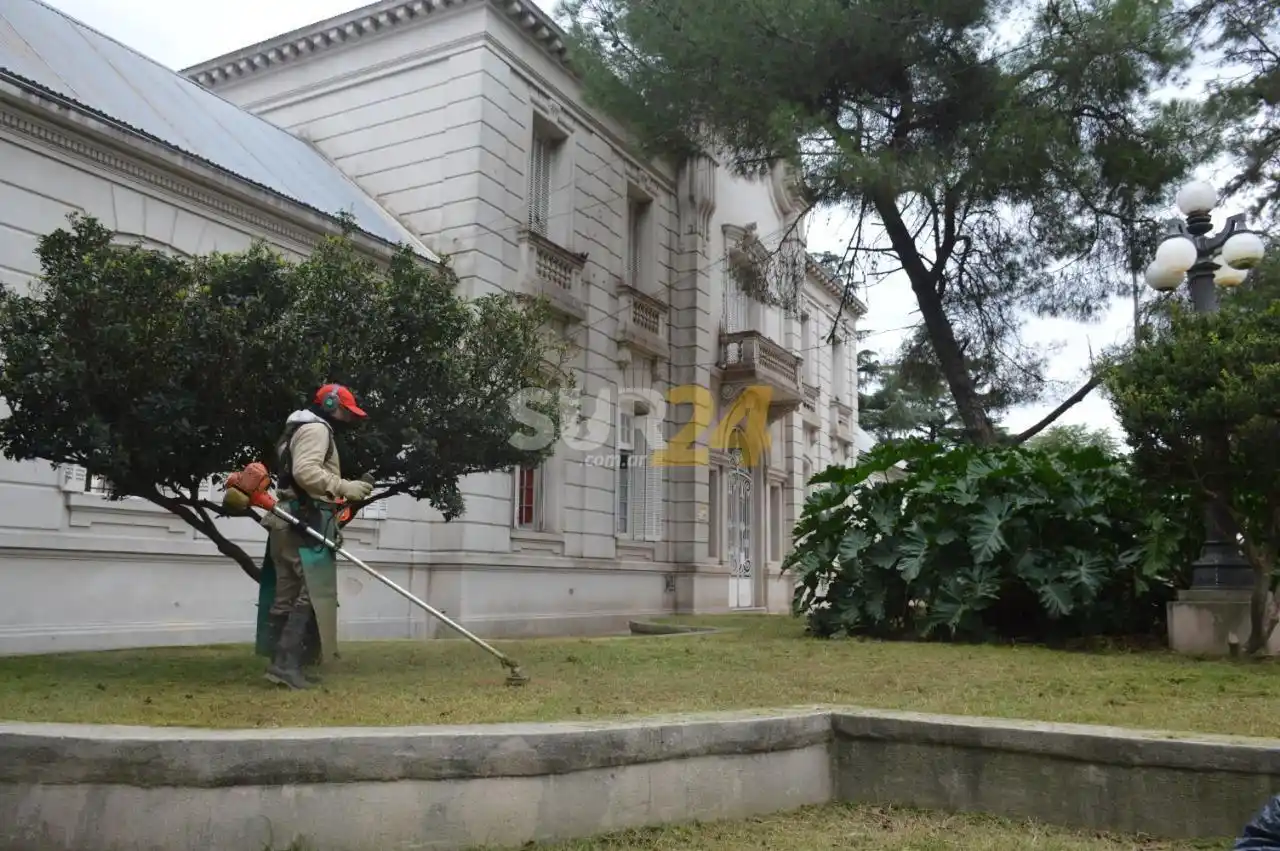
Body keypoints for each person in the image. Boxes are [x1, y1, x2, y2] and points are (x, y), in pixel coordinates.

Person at [258, 384, 374, 690]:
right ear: (331, 403)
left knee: (287, 592)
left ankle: (278, 665)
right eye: (345, 412)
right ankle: (286, 663)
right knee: (312, 590)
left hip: (285, 518)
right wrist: (343, 487)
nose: (348, 419)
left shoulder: (294, 428)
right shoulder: (316, 429)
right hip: (301, 518)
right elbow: (306, 472)